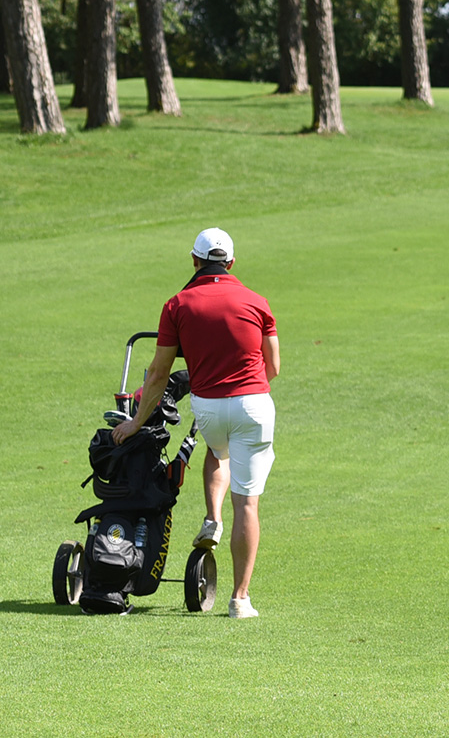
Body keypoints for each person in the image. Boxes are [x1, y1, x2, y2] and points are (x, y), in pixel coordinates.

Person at [113, 227, 279, 618]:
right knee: (248, 503)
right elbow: (273, 366)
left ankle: (212, 518)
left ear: (194, 261)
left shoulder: (178, 304)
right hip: (254, 404)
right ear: (232, 263)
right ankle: (240, 599)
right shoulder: (257, 302)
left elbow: (157, 373)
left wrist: (136, 422)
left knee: (216, 450)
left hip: (209, 408)